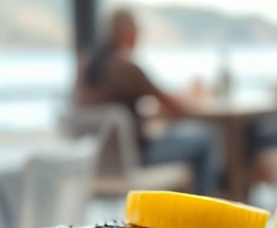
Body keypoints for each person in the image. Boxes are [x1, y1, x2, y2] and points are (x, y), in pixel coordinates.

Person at [75, 9, 216, 196]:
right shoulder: (125, 66)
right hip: (133, 160)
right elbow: (173, 105)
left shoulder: (85, 64)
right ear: (127, 32)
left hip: (94, 164)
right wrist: (190, 97)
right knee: (205, 138)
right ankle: (205, 215)